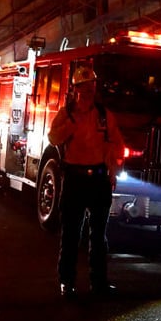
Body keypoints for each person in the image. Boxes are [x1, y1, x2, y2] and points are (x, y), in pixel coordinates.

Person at [47, 65, 124, 299]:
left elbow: (117, 145)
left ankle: (98, 282)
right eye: (83, 86)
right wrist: (70, 126)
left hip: (99, 180)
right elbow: (53, 138)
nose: (88, 90)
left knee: (99, 235)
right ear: (75, 89)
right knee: (71, 233)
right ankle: (67, 282)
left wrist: (113, 170)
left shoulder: (104, 115)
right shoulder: (66, 114)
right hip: (74, 179)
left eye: (91, 86)